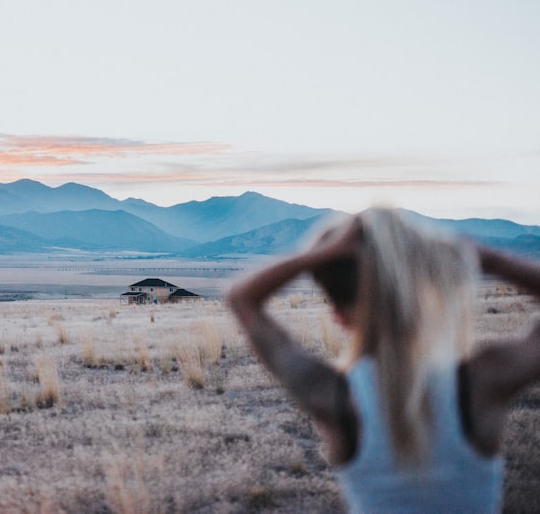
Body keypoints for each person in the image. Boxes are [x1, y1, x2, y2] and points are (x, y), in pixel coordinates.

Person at [227, 207, 540, 513]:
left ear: (338, 314)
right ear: (418, 294)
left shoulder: (335, 397)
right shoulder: (482, 381)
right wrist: (483, 257)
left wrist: (323, 254)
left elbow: (242, 300)